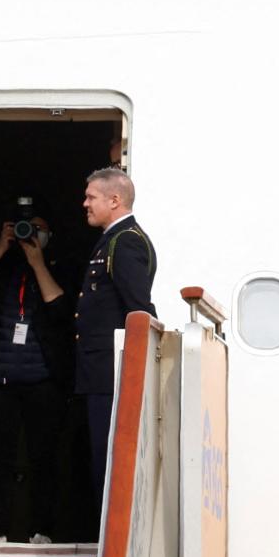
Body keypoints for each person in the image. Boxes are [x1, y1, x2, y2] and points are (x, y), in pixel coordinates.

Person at [0, 208, 73, 545]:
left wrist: (37, 263)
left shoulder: (58, 266)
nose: (29, 235)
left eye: (37, 230)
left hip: (43, 381)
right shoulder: (2, 266)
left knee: (43, 458)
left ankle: (42, 530)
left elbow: (60, 309)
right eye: (24, 229)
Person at [76, 167, 156, 516]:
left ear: (114, 200)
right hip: (99, 372)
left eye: (91, 197)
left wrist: (136, 373)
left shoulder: (125, 242)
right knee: (99, 459)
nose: (85, 204)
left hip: (113, 374)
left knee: (108, 461)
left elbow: (139, 311)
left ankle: (109, 539)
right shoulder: (113, 239)